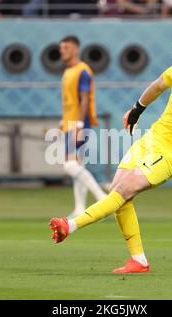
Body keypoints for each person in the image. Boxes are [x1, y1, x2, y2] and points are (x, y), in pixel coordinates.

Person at [49, 28, 172, 274]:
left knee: (124, 189)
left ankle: (70, 225)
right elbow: (157, 86)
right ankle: (138, 260)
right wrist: (137, 109)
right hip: (152, 139)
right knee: (118, 190)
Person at [58, 35, 107, 218]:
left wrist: (79, 124)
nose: (63, 51)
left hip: (79, 123)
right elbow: (70, 100)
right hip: (70, 121)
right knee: (77, 165)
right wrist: (64, 120)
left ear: (76, 49)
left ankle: (102, 198)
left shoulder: (82, 71)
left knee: (69, 165)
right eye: (62, 48)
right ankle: (80, 208)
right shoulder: (68, 71)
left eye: (67, 48)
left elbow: (84, 99)